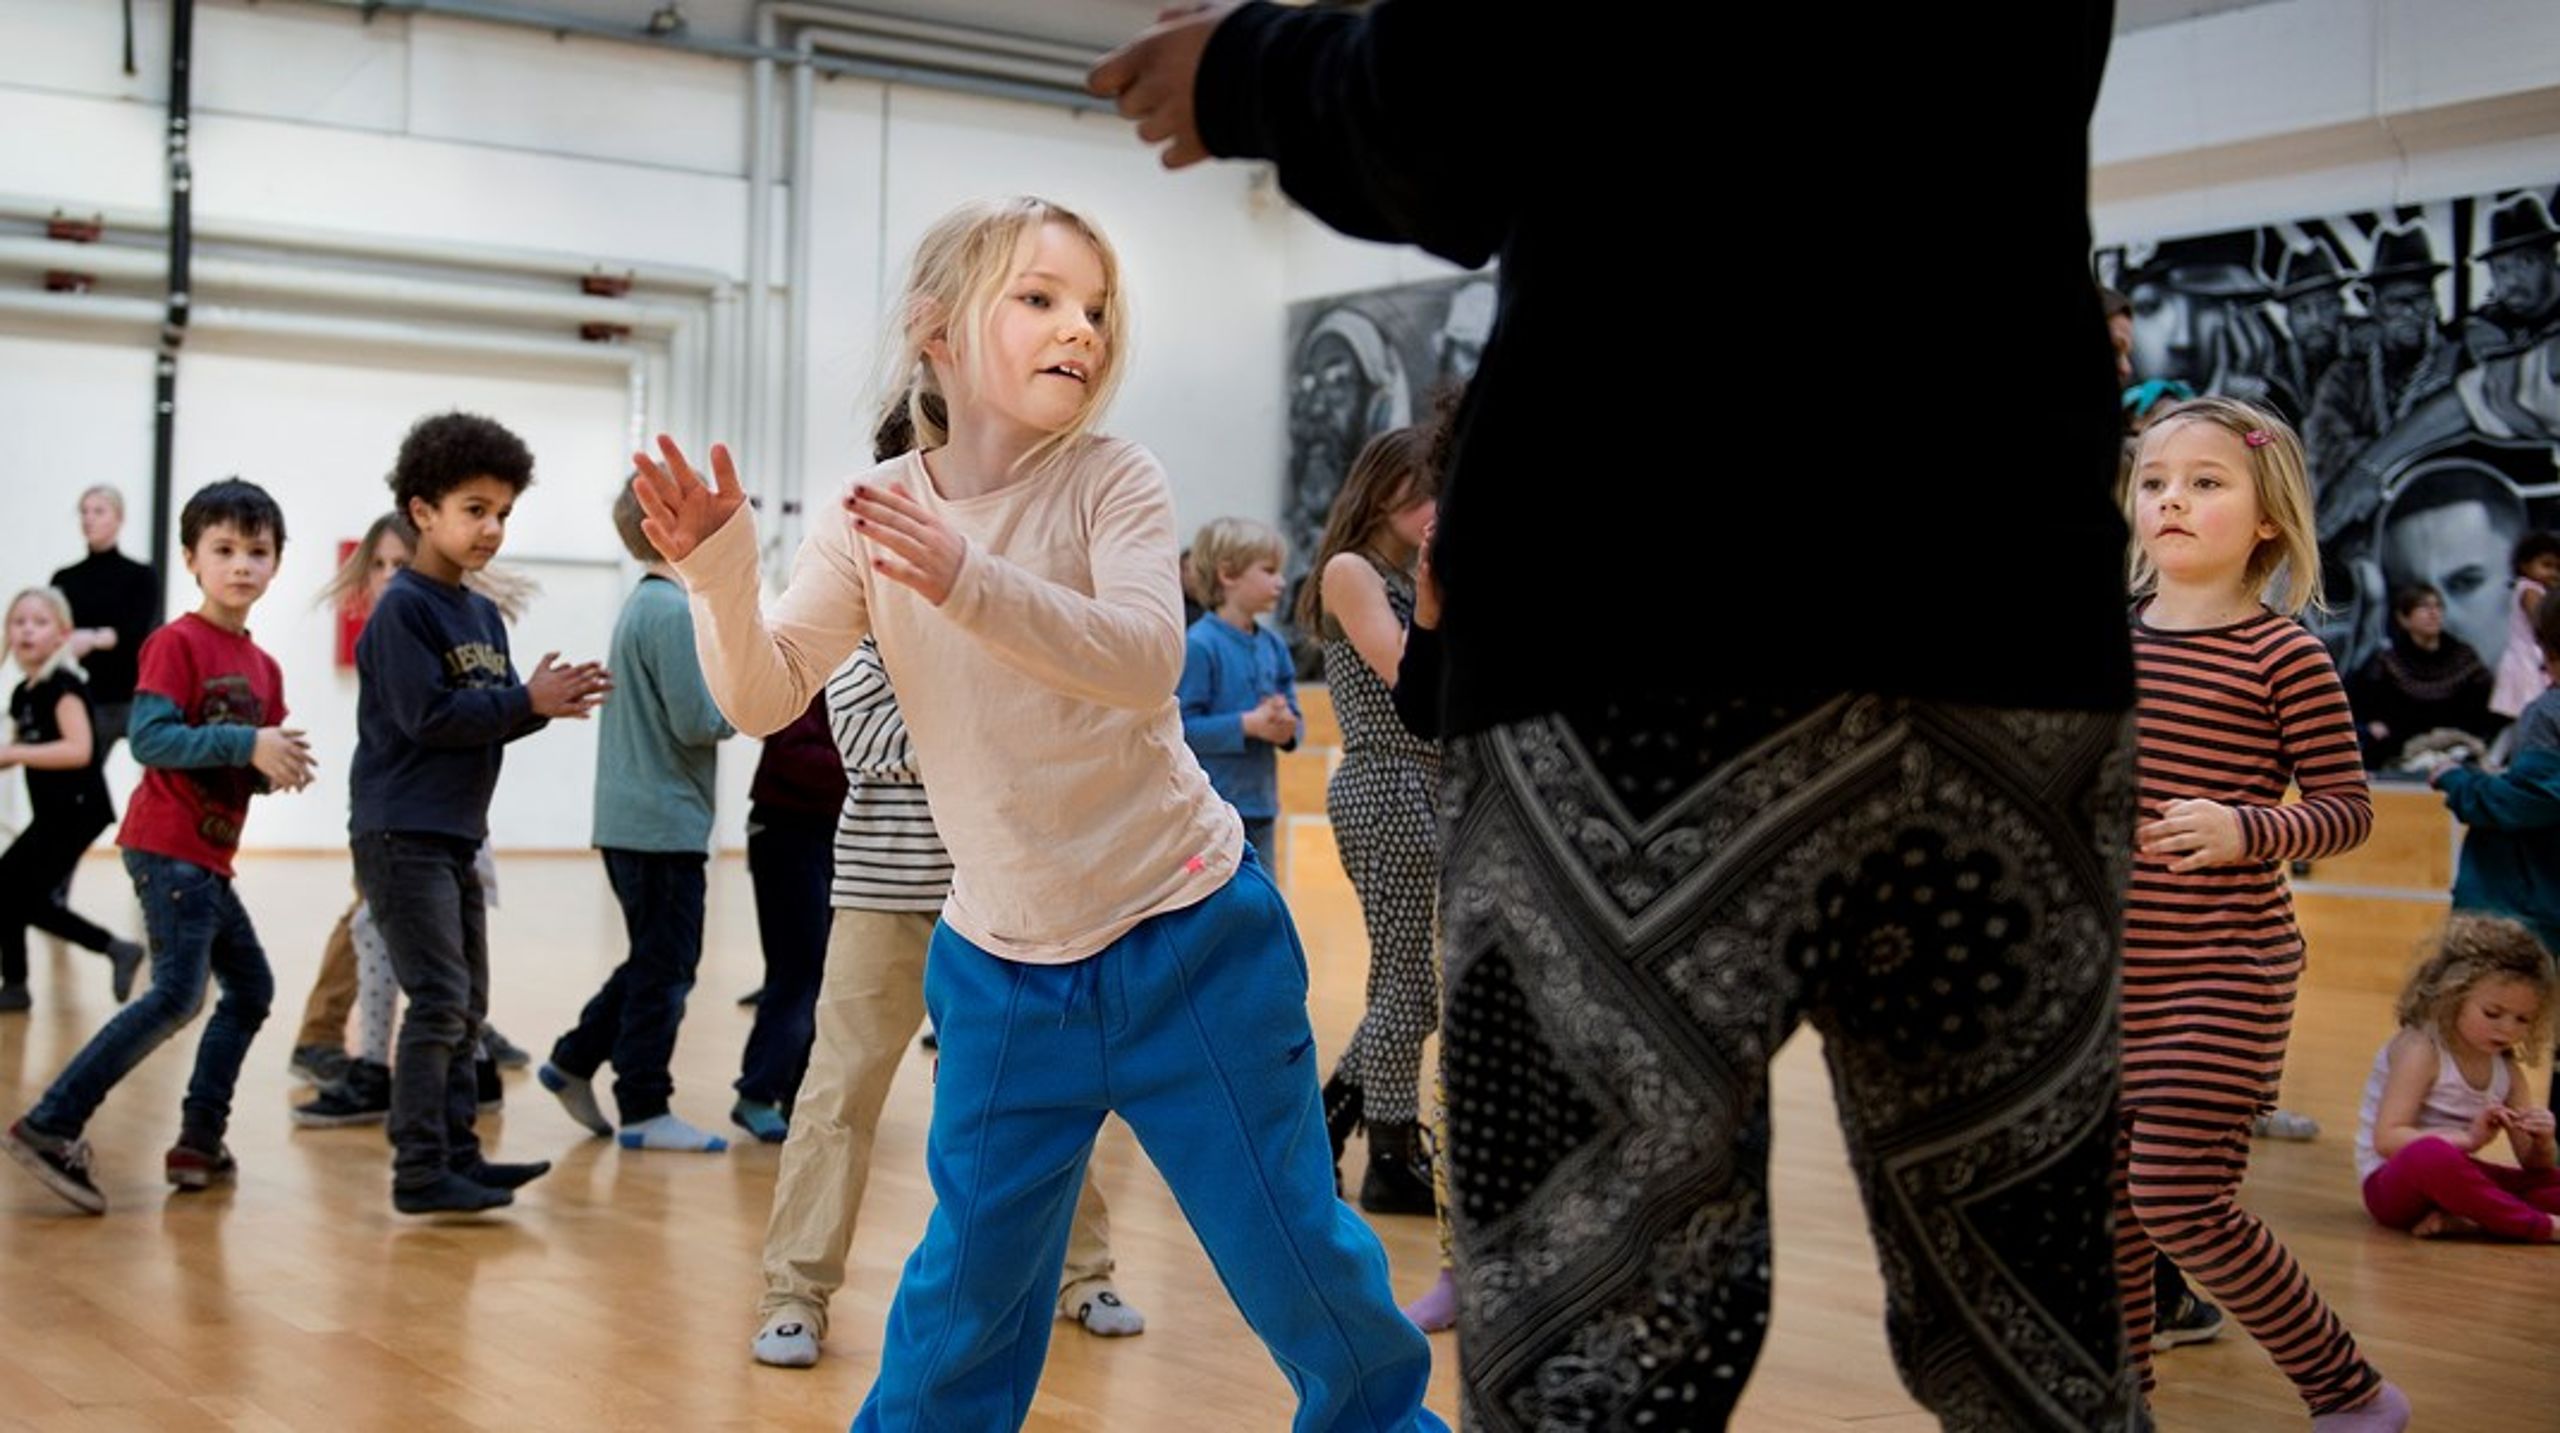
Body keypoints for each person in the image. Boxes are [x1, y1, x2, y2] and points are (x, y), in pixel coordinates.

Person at [1092, 5, 2145, 1427]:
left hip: (1648, 630)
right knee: (2037, 1332)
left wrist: (1247, 70)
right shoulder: (1348, 574)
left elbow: (1459, 108)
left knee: (1600, 1342)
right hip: (2005, 621)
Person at [635, 195, 1441, 1431]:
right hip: (1004, 967)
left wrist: (965, 576)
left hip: (1191, 939)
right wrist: (715, 570)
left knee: (1294, 1257)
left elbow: (1138, 658)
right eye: (1041, 298)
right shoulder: (873, 511)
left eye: (1096, 307)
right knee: (964, 1296)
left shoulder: (1114, 478)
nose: (1081, 328)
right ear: (936, 334)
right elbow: (761, 692)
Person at [2120, 396, 2406, 1429]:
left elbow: (2346, 810)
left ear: (2268, 518)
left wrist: (2247, 827)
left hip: (2224, 969)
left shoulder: (2282, 655)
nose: (2172, 501)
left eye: (2204, 482)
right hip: (2106, 980)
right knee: (2108, 1215)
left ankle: (2352, 1392)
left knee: (2177, 1198)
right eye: (2154, 483)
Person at [3, 480, 313, 1214]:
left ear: (276, 564)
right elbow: (151, 739)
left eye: (258, 551)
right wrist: (248, 741)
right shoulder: (173, 642)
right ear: (191, 558)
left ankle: (199, 1137)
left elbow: (243, 758)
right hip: (165, 845)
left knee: (252, 989)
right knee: (178, 992)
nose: (242, 564)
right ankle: (51, 1123)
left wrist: (275, 767)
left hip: (208, 854)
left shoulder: (265, 669)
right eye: (224, 549)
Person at [352, 412, 608, 1215]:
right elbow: (427, 716)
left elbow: (481, 712)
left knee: (465, 1001)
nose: (492, 527)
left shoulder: (481, 612)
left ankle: (459, 1156)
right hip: (400, 830)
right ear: (421, 511)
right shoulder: (404, 610)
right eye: (475, 509)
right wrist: (522, 700)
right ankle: (420, 1169)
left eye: (503, 512)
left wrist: (535, 705)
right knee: (436, 998)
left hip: (456, 831)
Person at [539, 483, 734, 1153]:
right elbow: (699, 719)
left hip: (642, 819)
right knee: (668, 965)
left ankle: (572, 1058)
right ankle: (644, 1103)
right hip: (659, 821)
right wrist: (756, 696)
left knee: (656, 956)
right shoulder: (672, 613)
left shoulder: (647, 606)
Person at [2352, 913, 2557, 1241]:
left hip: (2454, 1181)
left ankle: (2469, 1220)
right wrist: (2469, 1141)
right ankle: (2539, 1227)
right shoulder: (2422, 1049)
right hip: (2392, 1185)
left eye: (2523, 1019)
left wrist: (2543, 1142)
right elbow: (2388, 1140)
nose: (2507, 1028)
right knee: (2432, 1156)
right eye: (2493, 1013)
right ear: (2453, 995)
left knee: (2552, 1184)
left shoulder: (2508, 1071)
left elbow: (2534, 1167)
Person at [0, 586, 145, 1012]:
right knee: (11, 891)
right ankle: (17, 985)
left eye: (39, 622)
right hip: (55, 811)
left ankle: (113, 949)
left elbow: (79, 749)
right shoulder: (24, 692)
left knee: (13, 893)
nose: (27, 630)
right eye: (19, 622)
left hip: (78, 809)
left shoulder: (62, 687)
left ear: (62, 635)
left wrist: (14, 754)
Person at [49, 483, 162, 758]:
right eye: (84, 512)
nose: (89, 519)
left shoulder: (140, 575)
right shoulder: (65, 579)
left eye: (99, 511)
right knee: (79, 777)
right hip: (85, 695)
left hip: (135, 696)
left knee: (163, 773)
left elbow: (140, 631)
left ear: (119, 518)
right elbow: (53, 631)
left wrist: (94, 639)